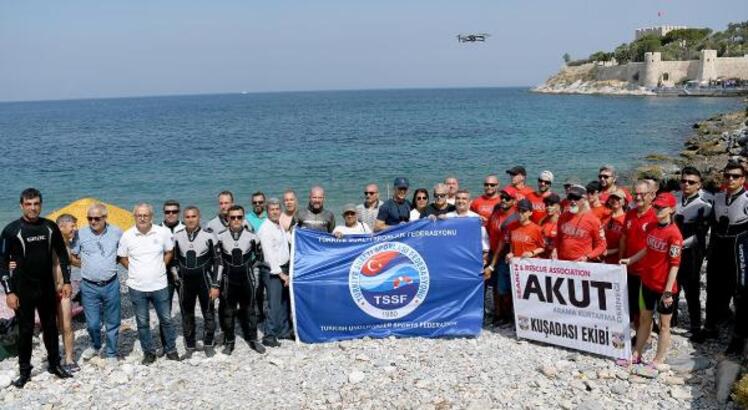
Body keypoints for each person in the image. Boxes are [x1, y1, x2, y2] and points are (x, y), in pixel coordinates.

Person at [0, 188, 73, 387]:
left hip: (47, 287)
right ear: (21, 205)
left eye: (36, 204)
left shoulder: (50, 227)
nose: (33, 208)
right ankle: (24, 372)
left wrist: (66, 280)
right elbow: (2, 262)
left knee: (50, 327)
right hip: (22, 290)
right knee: (25, 330)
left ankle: (54, 364)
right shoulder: (11, 230)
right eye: (29, 204)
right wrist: (9, 291)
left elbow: (62, 254)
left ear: (41, 204)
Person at [620, 192, 683, 370]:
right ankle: (637, 354)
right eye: (655, 206)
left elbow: (675, 265)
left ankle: (658, 360)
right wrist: (631, 260)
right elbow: (647, 249)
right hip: (647, 282)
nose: (656, 210)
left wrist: (668, 291)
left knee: (664, 325)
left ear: (671, 209)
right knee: (645, 319)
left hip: (664, 288)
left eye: (661, 207)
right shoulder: (651, 226)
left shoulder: (674, 234)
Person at [117, 203, 179, 365]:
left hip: (159, 285)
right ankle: (149, 353)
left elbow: (169, 251)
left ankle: (171, 350)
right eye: (139, 215)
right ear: (134, 216)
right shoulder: (127, 235)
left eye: (146, 215)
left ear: (151, 216)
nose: (142, 218)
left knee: (166, 319)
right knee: (142, 323)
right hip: (137, 287)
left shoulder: (163, 232)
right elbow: (122, 256)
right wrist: (133, 269)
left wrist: (161, 266)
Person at [705, 161, 748, 353]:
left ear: (743, 179)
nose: (730, 179)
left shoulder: (747, 199)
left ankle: (739, 337)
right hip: (719, 246)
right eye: (727, 175)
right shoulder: (719, 197)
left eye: (735, 176)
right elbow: (712, 225)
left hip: (740, 249)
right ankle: (711, 326)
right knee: (713, 286)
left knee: (741, 291)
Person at [72, 203, 123, 364]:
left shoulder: (116, 232)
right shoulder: (81, 234)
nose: (93, 221)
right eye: (89, 218)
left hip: (111, 283)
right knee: (93, 323)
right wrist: (84, 265)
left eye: (96, 218)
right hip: (88, 286)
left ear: (105, 217)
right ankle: (95, 345)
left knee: (113, 321)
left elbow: (123, 254)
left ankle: (111, 352)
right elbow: (71, 254)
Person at [171, 206, 221, 358]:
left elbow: (218, 262)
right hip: (185, 283)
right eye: (187, 217)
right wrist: (176, 277)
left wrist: (215, 285)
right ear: (183, 218)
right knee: (187, 315)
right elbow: (173, 261)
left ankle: (208, 344)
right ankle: (190, 346)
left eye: (193, 216)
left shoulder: (209, 236)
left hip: (205, 281)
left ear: (199, 217)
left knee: (209, 313)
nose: (190, 219)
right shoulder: (177, 236)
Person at [216, 205, 266, 355]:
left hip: (246, 278)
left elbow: (259, 256)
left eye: (239, 217)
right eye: (233, 217)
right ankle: (230, 342)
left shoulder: (252, 237)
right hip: (228, 279)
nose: (236, 220)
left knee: (250, 310)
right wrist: (217, 281)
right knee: (228, 311)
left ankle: (253, 340)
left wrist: (250, 268)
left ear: (243, 218)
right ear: (228, 219)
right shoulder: (220, 237)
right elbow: (217, 260)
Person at [673, 167, 712, 342]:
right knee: (672, 285)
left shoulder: (706, 205)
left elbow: (701, 234)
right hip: (673, 246)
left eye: (691, 182)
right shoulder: (674, 198)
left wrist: (680, 244)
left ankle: (696, 325)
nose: (686, 184)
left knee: (692, 288)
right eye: (684, 181)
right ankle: (670, 319)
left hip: (693, 250)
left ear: (699, 185)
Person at [620, 180, 658, 331]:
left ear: (651, 195)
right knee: (634, 305)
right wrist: (620, 260)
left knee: (645, 308)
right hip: (630, 268)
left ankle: (646, 337)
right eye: (636, 194)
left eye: (642, 194)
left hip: (647, 272)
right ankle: (639, 331)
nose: (638, 197)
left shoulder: (655, 216)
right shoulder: (630, 214)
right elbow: (624, 238)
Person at [256, 198, 292, 347]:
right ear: (267, 211)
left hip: (283, 268)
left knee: (284, 302)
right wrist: (281, 274)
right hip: (272, 271)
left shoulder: (278, 225)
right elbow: (269, 254)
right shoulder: (266, 228)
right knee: (274, 304)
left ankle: (283, 331)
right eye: (272, 209)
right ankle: (269, 335)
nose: (275, 211)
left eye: (277, 209)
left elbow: (287, 241)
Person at [484, 186, 519, 327]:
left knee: (503, 288)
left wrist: (492, 264)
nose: (504, 200)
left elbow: (502, 244)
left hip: (503, 256)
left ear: (514, 201)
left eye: (507, 198)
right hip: (492, 252)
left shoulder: (514, 218)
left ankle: (507, 316)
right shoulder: (496, 211)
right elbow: (488, 230)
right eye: (502, 197)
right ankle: (497, 314)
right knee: (494, 287)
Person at [53, 214, 80, 372]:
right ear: (61, 227)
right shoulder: (50, 245)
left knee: (67, 325)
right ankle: (54, 358)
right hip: (49, 292)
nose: (75, 230)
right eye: (72, 226)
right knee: (53, 327)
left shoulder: (69, 245)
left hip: (64, 291)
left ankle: (69, 358)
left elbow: (76, 262)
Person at [551, 185, 606, 261]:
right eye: (570, 197)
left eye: (576, 198)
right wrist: (555, 249)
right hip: (562, 263)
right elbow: (558, 238)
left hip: (581, 266)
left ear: (584, 199)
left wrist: (588, 257)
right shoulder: (563, 217)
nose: (573, 201)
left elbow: (602, 245)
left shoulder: (593, 220)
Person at [160, 199, 184, 357]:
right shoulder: (157, 230)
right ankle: (166, 345)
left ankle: (190, 341)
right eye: (168, 212)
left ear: (179, 213)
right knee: (164, 312)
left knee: (186, 308)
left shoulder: (186, 227)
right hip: (164, 275)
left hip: (184, 273)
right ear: (164, 213)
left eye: (174, 211)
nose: (171, 214)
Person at [445, 190, 489, 262]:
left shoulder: (477, 219)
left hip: (471, 260)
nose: (460, 201)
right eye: (458, 198)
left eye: (464, 199)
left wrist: (483, 259)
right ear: (455, 201)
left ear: (470, 202)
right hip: (451, 259)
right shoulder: (446, 217)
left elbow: (484, 243)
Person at [602, 190, 628, 264]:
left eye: (618, 198)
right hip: (604, 260)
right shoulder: (606, 217)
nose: (614, 200)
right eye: (612, 198)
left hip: (618, 261)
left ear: (624, 202)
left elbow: (626, 244)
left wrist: (609, 252)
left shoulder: (626, 219)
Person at [540, 193, 562, 257]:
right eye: (547, 205)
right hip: (543, 257)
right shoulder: (542, 221)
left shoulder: (562, 223)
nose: (548, 207)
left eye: (551, 205)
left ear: (558, 206)